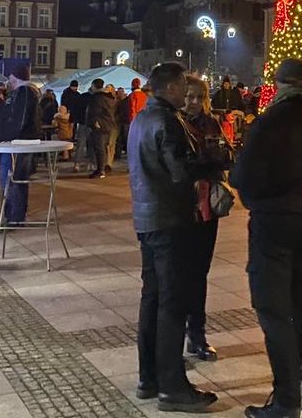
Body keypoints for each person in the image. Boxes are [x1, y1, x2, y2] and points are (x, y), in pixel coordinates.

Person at [230, 59, 302, 418]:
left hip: (273, 226)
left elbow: (243, 177)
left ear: (279, 86)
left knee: (274, 309)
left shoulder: (268, 123)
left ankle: (286, 400)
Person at [127, 62, 218, 413]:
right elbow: (180, 172)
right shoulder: (167, 121)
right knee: (172, 303)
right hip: (170, 221)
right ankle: (172, 386)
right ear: (170, 87)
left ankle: (148, 377)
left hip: (147, 219)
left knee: (152, 298)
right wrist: (211, 162)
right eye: (182, 86)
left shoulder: (141, 119)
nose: (186, 93)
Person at [180, 74, 232, 362]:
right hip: (181, 205)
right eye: (190, 96)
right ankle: (178, 333)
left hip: (207, 205)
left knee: (200, 271)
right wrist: (205, 158)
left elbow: (226, 156)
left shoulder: (211, 122)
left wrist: (220, 155)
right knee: (180, 272)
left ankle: (197, 334)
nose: (195, 102)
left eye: (200, 97)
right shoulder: (174, 122)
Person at [0, 65, 42, 222]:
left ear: (15, 77)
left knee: (11, 179)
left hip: (17, 144)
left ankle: (15, 215)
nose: (8, 80)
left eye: (10, 77)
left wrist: (10, 136)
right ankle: (16, 214)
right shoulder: (25, 92)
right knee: (15, 179)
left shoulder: (24, 93)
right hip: (17, 142)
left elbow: (19, 118)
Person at [86, 78, 119, 178]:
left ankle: (100, 170)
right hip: (108, 125)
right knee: (103, 148)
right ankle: (102, 168)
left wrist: (94, 122)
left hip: (99, 126)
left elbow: (94, 112)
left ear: (94, 86)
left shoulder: (97, 98)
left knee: (99, 148)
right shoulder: (109, 98)